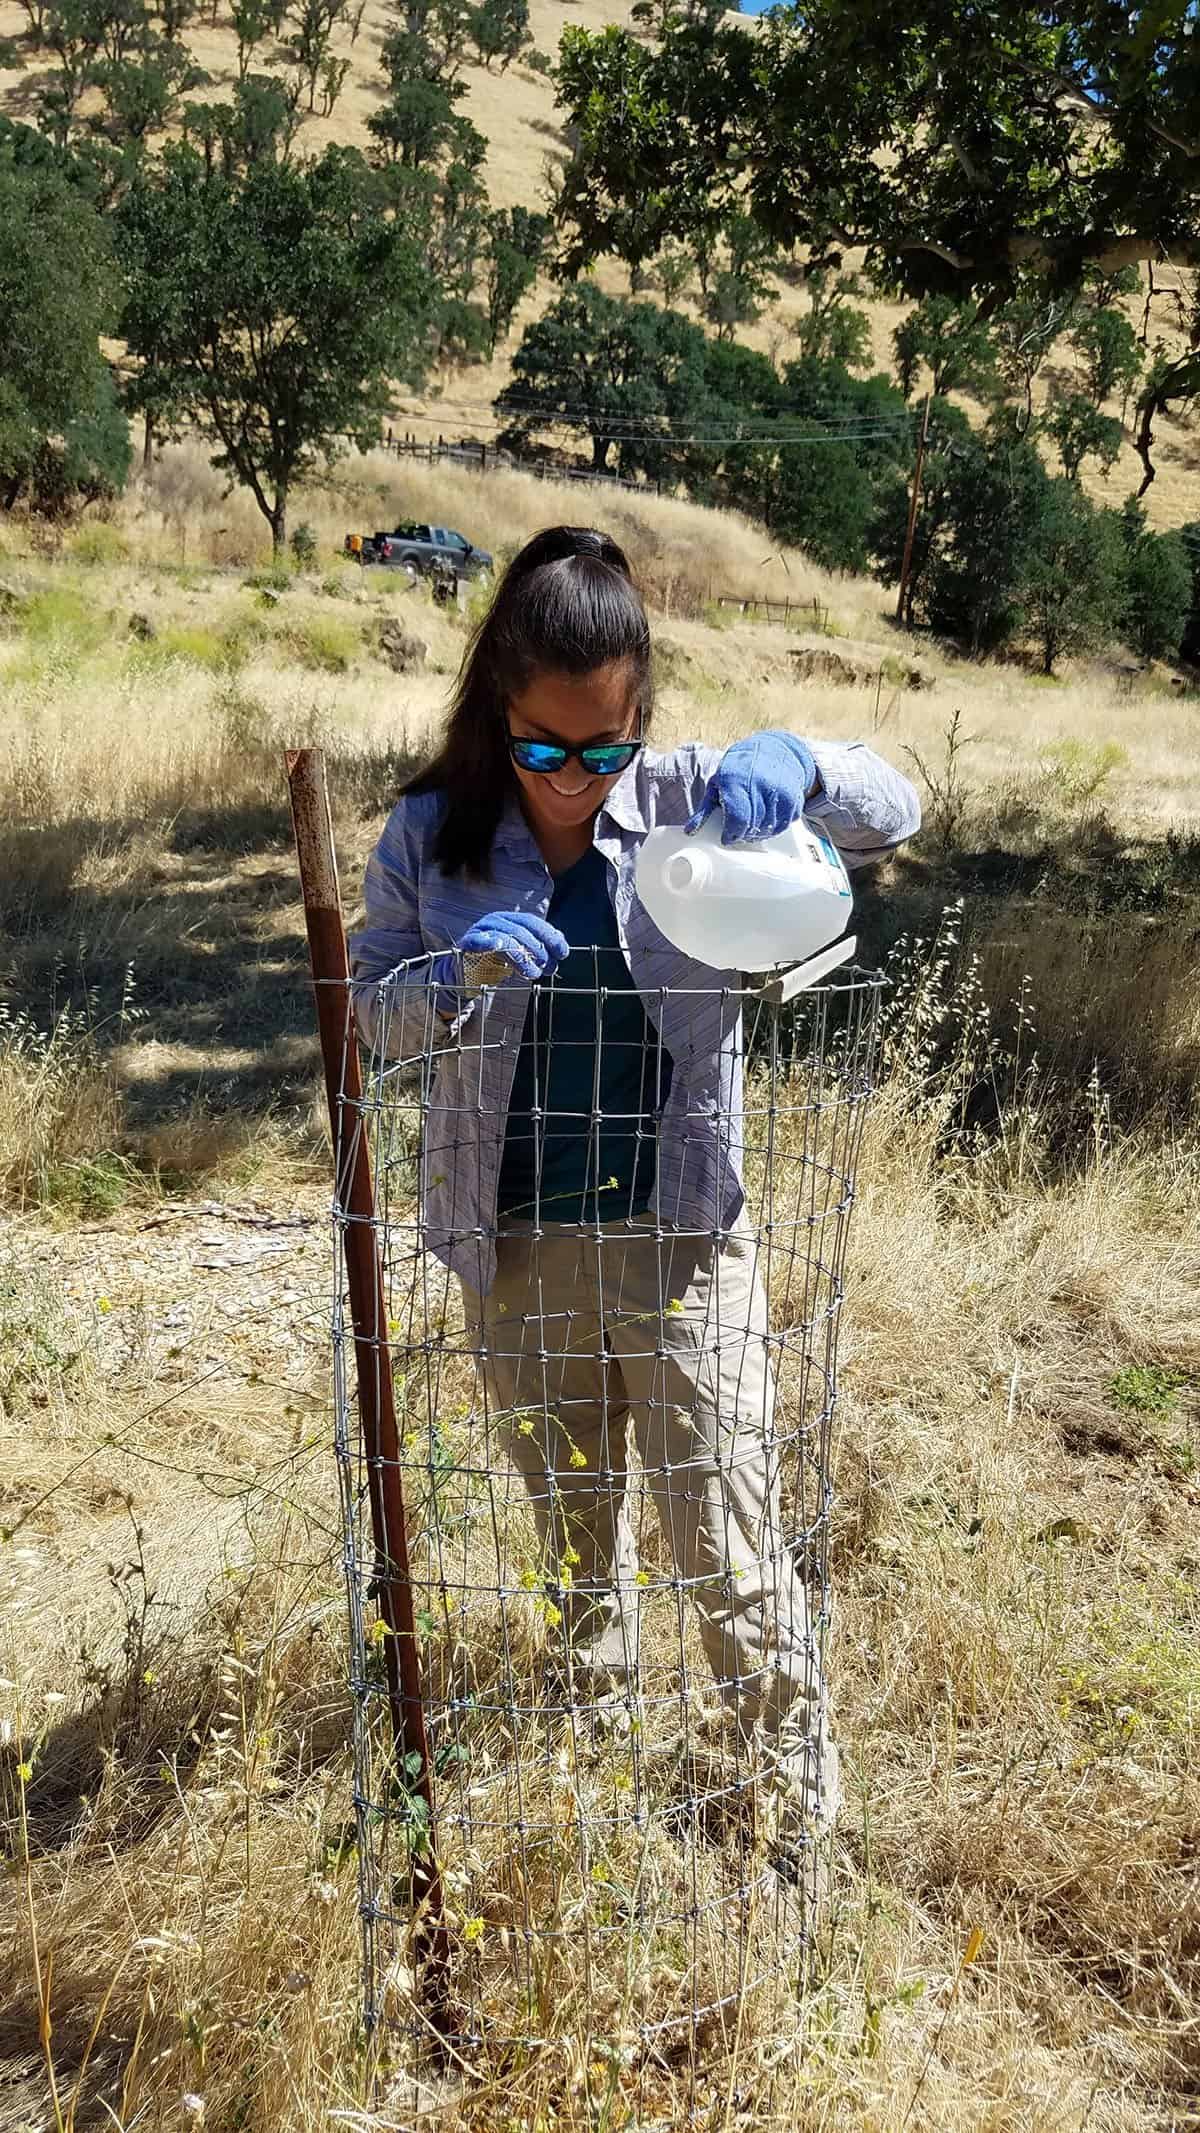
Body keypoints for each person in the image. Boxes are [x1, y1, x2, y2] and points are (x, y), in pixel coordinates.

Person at [350, 526, 920, 1876]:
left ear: (640, 720)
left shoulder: (686, 797)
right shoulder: (432, 835)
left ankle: (799, 1817)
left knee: (721, 1529)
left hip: (682, 1242)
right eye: (545, 749)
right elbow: (367, 1016)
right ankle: (593, 1766)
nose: (572, 781)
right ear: (499, 709)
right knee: (571, 1529)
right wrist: (451, 975)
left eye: (602, 749)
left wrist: (805, 758)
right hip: (518, 1244)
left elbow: (894, 806)